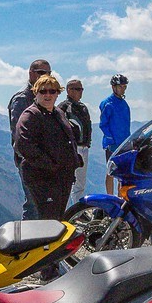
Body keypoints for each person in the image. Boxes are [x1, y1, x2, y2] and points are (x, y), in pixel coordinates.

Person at [14, 74, 81, 220]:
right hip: (42, 178)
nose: (48, 95)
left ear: (58, 94)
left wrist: (74, 159)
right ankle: (41, 243)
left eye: (52, 91)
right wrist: (50, 165)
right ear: (35, 92)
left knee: (57, 217)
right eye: (43, 91)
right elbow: (23, 145)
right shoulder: (30, 115)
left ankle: (53, 243)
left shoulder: (58, 113)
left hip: (62, 176)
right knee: (47, 219)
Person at [7, 58, 51, 218]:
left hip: (45, 161)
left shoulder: (45, 97)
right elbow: (19, 137)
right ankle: (27, 241)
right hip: (29, 162)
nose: (45, 76)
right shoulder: (21, 99)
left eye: (48, 73)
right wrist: (31, 160)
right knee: (33, 204)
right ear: (31, 74)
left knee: (44, 203)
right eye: (41, 72)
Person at [59, 78, 92, 207]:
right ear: (69, 90)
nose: (80, 92)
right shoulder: (63, 107)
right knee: (68, 181)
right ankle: (64, 211)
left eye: (81, 89)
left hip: (84, 148)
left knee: (80, 183)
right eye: (77, 89)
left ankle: (77, 210)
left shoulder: (83, 107)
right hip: (71, 149)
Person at [98, 73, 131, 191]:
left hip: (124, 142)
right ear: (113, 87)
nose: (123, 89)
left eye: (124, 87)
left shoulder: (124, 103)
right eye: (120, 87)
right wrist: (110, 138)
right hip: (112, 143)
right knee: (110, 172)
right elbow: (103, 124)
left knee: (122, 173)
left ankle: (120, 198)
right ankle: (110, 197)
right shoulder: (107, 103)